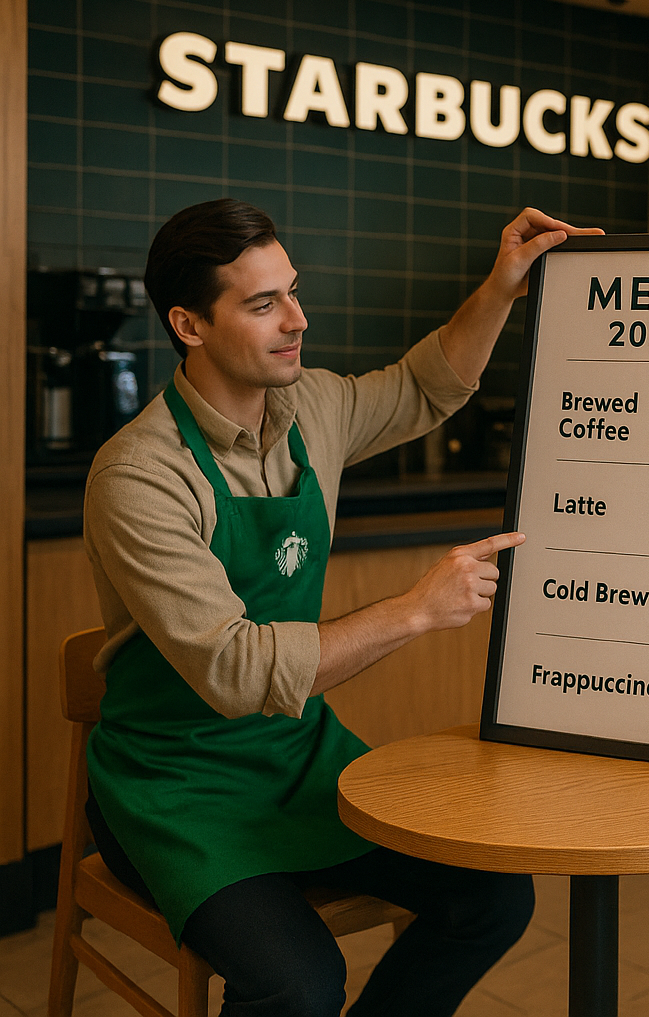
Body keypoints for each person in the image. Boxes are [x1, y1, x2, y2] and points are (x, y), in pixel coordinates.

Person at [81, 198, 601, 1017]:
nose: (298, 319)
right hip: (174, 785)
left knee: (492, 899)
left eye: (292, 292)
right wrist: (415, 611)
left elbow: (427, 387)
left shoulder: (312, 408)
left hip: (296, 755)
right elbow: (231, 669)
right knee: (299, 982)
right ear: (189, 324)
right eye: (263, 304)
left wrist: (502, 287)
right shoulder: (140, 475)